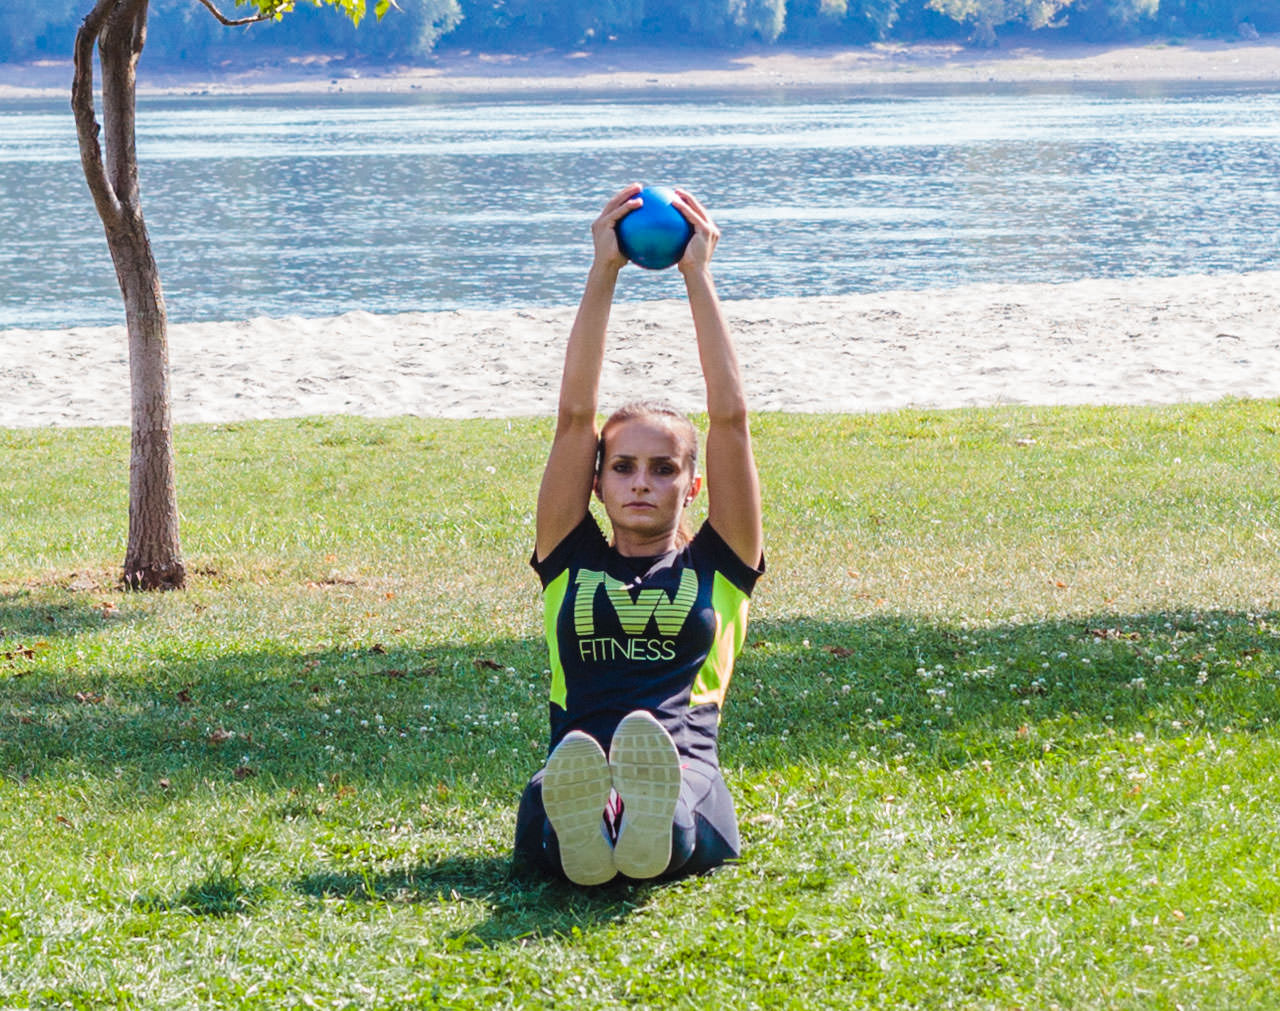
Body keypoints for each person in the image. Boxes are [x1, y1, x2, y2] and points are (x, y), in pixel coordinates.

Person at [513, 183, 765, 886]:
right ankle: (592, 828)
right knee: (552, 796)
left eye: (663, 468)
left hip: (685, 770)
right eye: (621, 466)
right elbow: (572, 416)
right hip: (575, 765)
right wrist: (603, 271)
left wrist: (698, 275)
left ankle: (642, 827)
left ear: (694, 484)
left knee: (679, 800)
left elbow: (732, 420)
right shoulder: (570, 556)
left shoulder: (725, 561)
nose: (641, 482)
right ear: (596, 483)